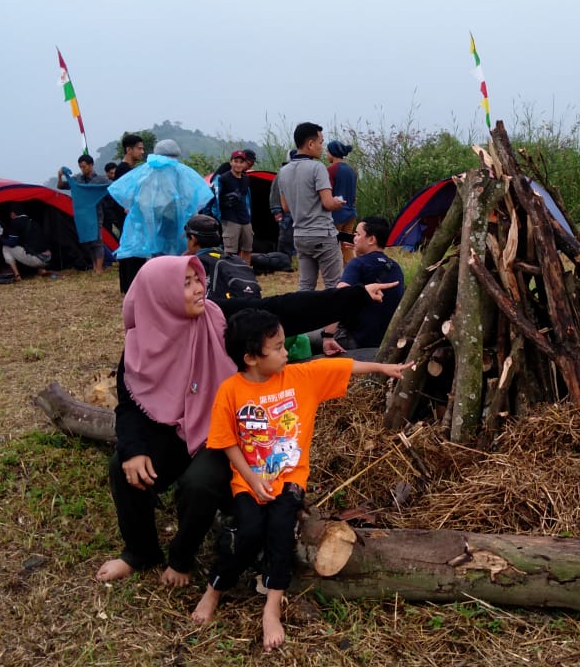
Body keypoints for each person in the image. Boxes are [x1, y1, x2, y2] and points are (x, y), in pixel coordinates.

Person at [93, 255, 402, 589]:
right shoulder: (140, 344)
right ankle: (140, 552)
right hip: (172, 430)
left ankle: (182, 557)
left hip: (226, 430)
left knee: (200, 483)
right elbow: (129, 404)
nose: (199, 288)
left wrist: (354, 295)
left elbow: (283, 309)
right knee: (121, 465)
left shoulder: (217, 319)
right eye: (186, 284)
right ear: (160, 295)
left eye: (197, 279)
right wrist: (134, 449)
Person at [190, 308, 412, 651]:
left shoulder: (299, 378)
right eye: (277, 347)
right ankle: (214, 589)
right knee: (246, 533)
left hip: (290, 480)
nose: (286, 352)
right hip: (248, 482)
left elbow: (343, 366)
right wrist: (250, 478)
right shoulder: (230, 392)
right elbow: (227, 443)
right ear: (250, 358)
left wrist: (383, 367)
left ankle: (272, 607)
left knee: (280, 532)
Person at [108, 139, 213, 294]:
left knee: (160, 257)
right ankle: (175, 286)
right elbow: (192, 199)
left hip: (159, 224)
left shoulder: (147, 172)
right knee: (175, 256)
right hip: (174, 225)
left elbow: (138, 200)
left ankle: (163, 287)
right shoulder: (180, 172)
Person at [319, 216, 404, 356]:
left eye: (358, 234)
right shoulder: (395, 267)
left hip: (356, 340)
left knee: (306, 336)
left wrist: (327, 336)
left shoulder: (357, 264)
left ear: (371, 240)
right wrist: (360, 252)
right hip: (384, 339)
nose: (354, 238)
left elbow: (339, 298)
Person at [277, 124, 344, 290]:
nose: (322, 147)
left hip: (299, 235)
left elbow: (285, 207)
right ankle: (336, 316)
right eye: (321, 142)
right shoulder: (317, 168)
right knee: (334, 285)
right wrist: (337, 202)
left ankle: (302, 315)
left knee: (306, 284)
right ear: (310, 144)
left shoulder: (283, 171)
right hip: (322, 233)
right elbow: (328, 203)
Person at [56, 154, 111, 274]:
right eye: (80, 167)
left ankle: (99, 268)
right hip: (82, 215)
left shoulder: (101, 180)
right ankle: (95, 265)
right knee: (88, 240)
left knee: (97, 240)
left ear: (91, 165)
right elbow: (60, 186)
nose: (82, 169)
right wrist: (60, 175)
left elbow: (112, 188)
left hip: (96, 213)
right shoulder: (76, 179)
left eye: (84, 166)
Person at [210, 150, 254, 263]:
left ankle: (245, 273)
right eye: (236, 161)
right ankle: (228, 274)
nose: (238, 164)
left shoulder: (245, 179)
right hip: (230, 219)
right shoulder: (222, 178)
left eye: (241, 162)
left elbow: (246, 199)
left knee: (247, 248)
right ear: (231, 162)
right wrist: (216, 217)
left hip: (245, 218)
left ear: (244, 164)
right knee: (229, 251)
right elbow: (214, 198)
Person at [0, 215, 50, 280]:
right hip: (48, 258)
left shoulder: (16, 224)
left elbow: (12, 243)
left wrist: (0, 237)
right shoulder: (32, 223)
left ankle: (17, 276)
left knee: (6, 248)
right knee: (30, 247)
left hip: (38, 259)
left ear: (13, 214)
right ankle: (41, 269)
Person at [326, 140, 358, 264]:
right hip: (351, 212)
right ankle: (352, 269)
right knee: (347, 245)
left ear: (332, 153)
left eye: (327, 151)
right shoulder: (352, 170)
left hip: (336, 214)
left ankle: (333, 273)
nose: (326, 154)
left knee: (332, 246)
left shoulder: (331, 170)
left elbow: (328, 192)